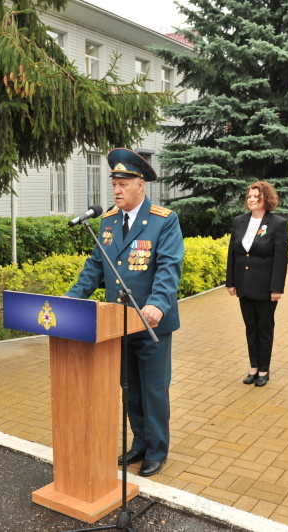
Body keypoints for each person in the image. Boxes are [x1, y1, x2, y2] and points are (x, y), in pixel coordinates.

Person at [66, 148, 184, 477]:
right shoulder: (107, 222)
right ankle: (140, 443)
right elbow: (94, 269)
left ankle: (157, 450)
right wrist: (71, 300)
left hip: (151, 325)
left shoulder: (163, 220)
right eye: (114, 183)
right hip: (117, 322)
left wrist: (158, 303)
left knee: (154, 388)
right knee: (129, 386)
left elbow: (169, 268)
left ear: (140, 185)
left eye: (123, 183)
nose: (116, 190)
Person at [226, 181, 288, 387]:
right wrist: (231, 282)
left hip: (265, 287)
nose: (252, 200)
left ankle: (264, 369)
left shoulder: (277, 223)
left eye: (256, 196)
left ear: (266, 199)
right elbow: (232, 254)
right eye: (249, 197)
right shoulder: (239, 221)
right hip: (244, 285)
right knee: (250, 326)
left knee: (264, 328)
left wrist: (276, 288)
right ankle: (253, 367)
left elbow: (280, 259)